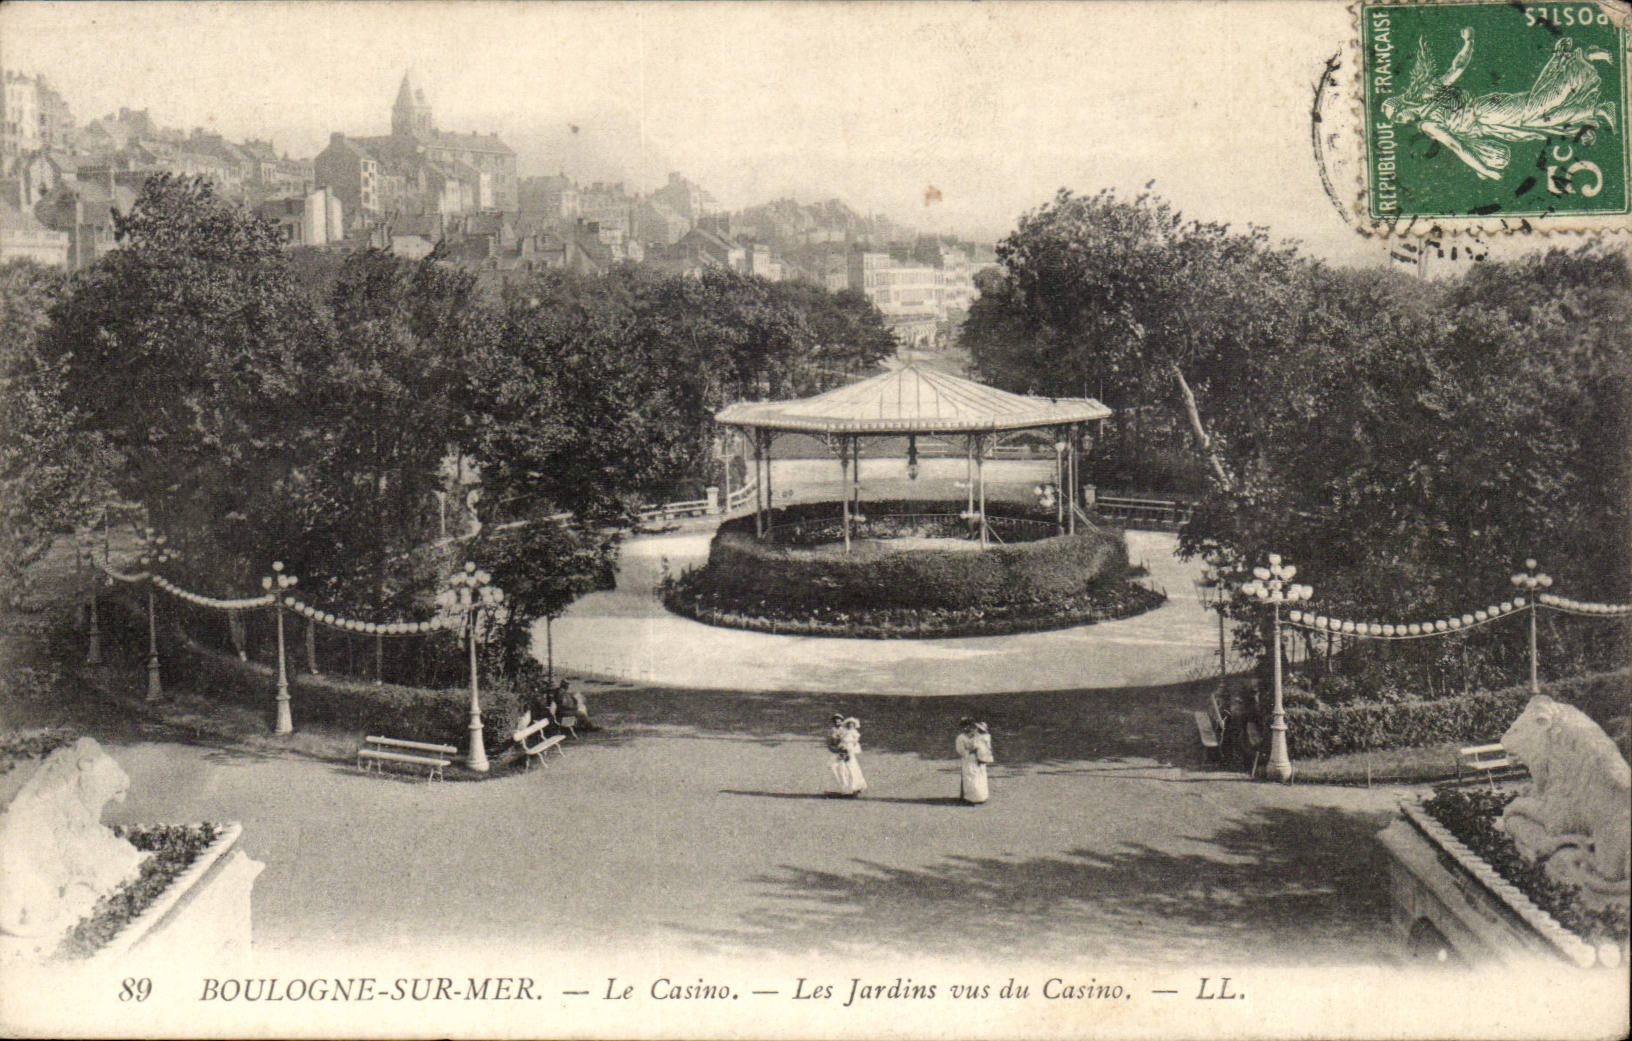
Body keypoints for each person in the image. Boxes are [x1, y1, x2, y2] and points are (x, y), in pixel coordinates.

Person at [1381, 29, 1615, 181]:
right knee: (1537, 124)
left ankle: (1580, 59)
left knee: (1537, 107)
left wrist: (1487, 171)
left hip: (1486, 111)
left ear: (1403, 105)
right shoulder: (1426, 108)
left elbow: (1456, 146)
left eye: (1399, 117)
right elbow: (1461, 143)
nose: (1402, 122)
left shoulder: (1428, 107)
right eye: (1398, 122)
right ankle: (1593, 111)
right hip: (1489, 126)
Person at [955, 718, 993, 804]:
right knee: (970, 778)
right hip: (969, 759)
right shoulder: (960, 737)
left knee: (980, 777)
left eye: (967, 726)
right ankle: (970, 798)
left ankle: (982, 797)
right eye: (963, 727)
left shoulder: (976, 735)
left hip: (979, 758)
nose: (966, 728)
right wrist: (970, 751)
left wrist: (982, 753)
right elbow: (960, 750)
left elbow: (985, 743)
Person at [830, 716, 867, 797]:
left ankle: (854, 787)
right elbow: (839, 739)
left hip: (849, 751)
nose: (850, 726)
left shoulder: (854, 733)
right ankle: (845, 788)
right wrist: (840, 747)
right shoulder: (844, 731)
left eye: (852, 725)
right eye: (849, 724)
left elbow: (855, 743)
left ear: (854, 726)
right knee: (841, 768)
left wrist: (848, 751)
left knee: (851, 768)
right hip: (842, 749)